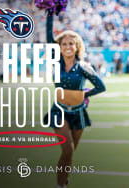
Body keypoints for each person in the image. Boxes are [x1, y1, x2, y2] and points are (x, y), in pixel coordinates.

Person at [43, 30, 106, 188]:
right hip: (59, 111)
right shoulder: (56, 63)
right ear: (60, 47)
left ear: (77, 46)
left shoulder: (84, 67)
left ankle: (64, 180)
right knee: (68, 148)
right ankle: (60, 185)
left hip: (78, 112)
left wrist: (85, 94)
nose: (67, 46)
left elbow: (101, 86)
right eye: (64, 44)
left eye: (71, 43)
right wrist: (51, 10)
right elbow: (49, 38)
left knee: (70, 153)